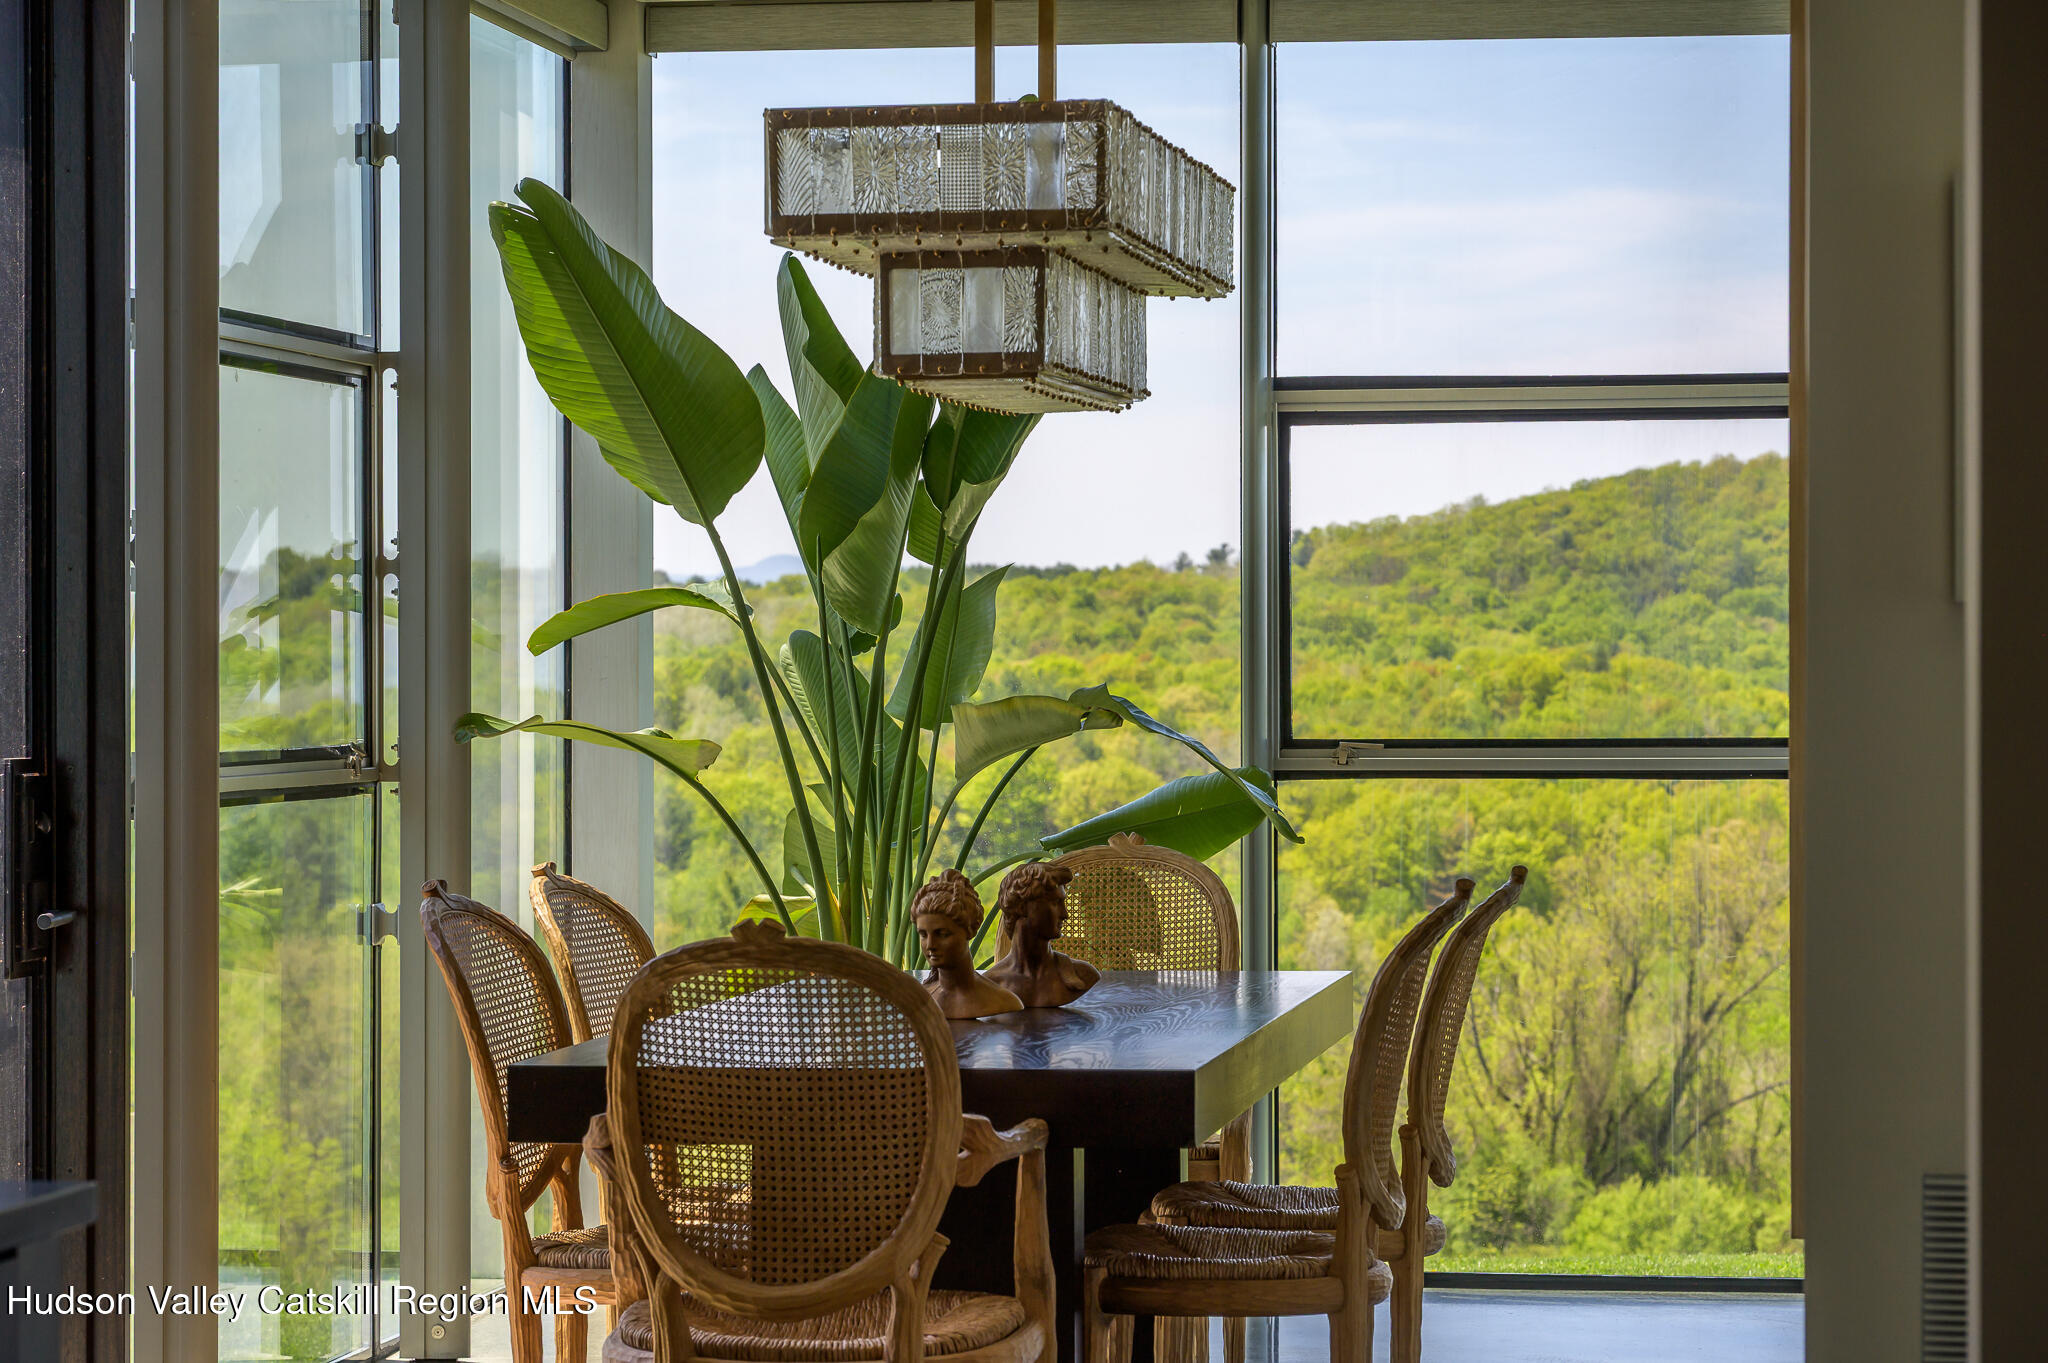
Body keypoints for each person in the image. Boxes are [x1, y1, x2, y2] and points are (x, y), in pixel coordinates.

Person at [985, 861, 1100, 1007]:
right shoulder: (991, 985)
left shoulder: (1084, 975)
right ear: (1022, 906)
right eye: (1055, 903)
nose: (1065, 914)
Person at [911, 870, 1022, 1020]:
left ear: (970, 929)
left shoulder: (1003, 1002)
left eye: (942, 934)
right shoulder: (919, 1000)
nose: (930, 945)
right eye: (923, 935)